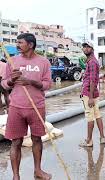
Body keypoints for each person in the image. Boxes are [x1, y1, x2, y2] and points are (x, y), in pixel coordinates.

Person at [1, 33, 52, 180]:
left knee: (37, 139)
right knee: (16, 141)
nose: (17, 45)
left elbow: (48, 84)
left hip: (37, 106)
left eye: (20, 42)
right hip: (16, 107)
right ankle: (16, 176)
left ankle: (38, 171)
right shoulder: (12, 61)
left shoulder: (44, 62)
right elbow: (4, 83)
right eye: (17, 42)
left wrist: (30, 81)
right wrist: (12, 80)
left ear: (30, 45)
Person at [79, 41, 105, 147]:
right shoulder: (91, 61)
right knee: (97, 114)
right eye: (84, 47)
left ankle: (89, 141)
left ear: (92, 49)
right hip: (93, 92)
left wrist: (90, 97)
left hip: (89, 93)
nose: (85, 49)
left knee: (90, 117)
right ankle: (102, 137)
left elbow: (92, 81)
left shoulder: (92, 62)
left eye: (87, 47)